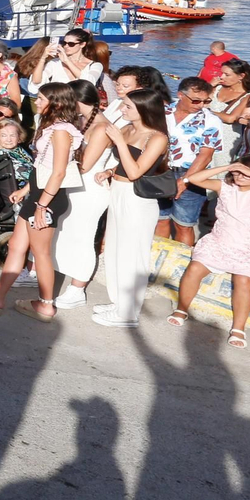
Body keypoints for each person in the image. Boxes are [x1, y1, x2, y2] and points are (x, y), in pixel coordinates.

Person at [0, 82, 84, 322]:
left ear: (56, 104)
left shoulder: (61, 132)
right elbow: (43, 166)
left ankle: (46, 305)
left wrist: (41, 205)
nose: (36, 102)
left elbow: (58, 172)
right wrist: (27, 189)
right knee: (17, 246)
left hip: (46, 199)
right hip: (37, 194)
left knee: (40, 253)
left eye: (40, 99)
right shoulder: (52, 127)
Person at [168, 156, 250, 347]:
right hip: (219, 243)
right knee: (195, 268)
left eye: (246, 174)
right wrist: (227, 166)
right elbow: (194, 179)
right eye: (238, 172)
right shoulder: (224, 186)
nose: (240, 176)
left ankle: (238, 328)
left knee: (243, 279)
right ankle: (182, 309)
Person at [93, 89, 170, 329]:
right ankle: (119, 303)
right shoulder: (126, 129)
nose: (122, 110)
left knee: (132, 254)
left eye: (127, 106)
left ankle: (128, 312)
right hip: (117, 191)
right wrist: (109, 171)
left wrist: (118, 142)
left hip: (137, 199)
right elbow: (123, 165)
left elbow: (137, 171)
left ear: (144, 109)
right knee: (115, 249)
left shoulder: (157, 138)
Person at [54, 81, 114, 310]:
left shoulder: (101, 127)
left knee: (83, 237)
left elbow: (86, 165)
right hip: (73, 183)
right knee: (65, 231)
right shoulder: (80, 119)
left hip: (89, 188)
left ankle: (77, 289)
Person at [159, 76, 222, 246]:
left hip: (192, 173)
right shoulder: (162, 112)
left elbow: (205, 155)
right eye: (196, 100)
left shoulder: (211, 120)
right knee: (160, 219)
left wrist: (185, 180)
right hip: (161, 170)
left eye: (205, 101)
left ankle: (180, 261)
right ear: (180, 95)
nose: (201, 105)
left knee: (184, 224)